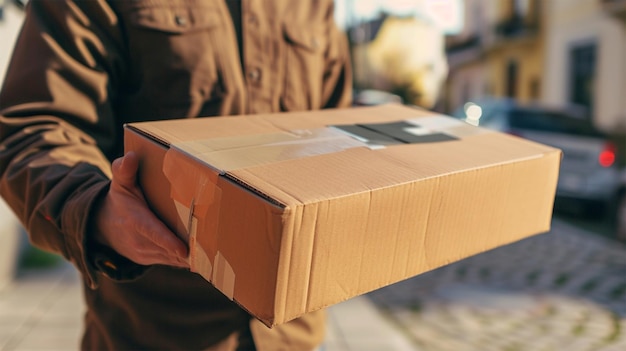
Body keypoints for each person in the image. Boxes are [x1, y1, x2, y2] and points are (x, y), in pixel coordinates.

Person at [0, 1, 352, 350]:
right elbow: (33, 129)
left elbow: (335, 133)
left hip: (293, 336)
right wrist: (99, 212)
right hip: (152, 331)